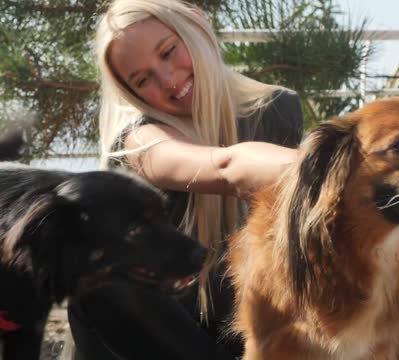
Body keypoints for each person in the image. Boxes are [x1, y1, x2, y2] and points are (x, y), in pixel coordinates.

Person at [67, 0, 304, 359]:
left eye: (168, 51)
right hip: (150, 335)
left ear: (196, 22)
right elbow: (225, 166)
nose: (168, 79)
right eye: (143, 79)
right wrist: (333, 172)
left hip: (232, 327)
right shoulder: (138, 139)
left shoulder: (278, 109)